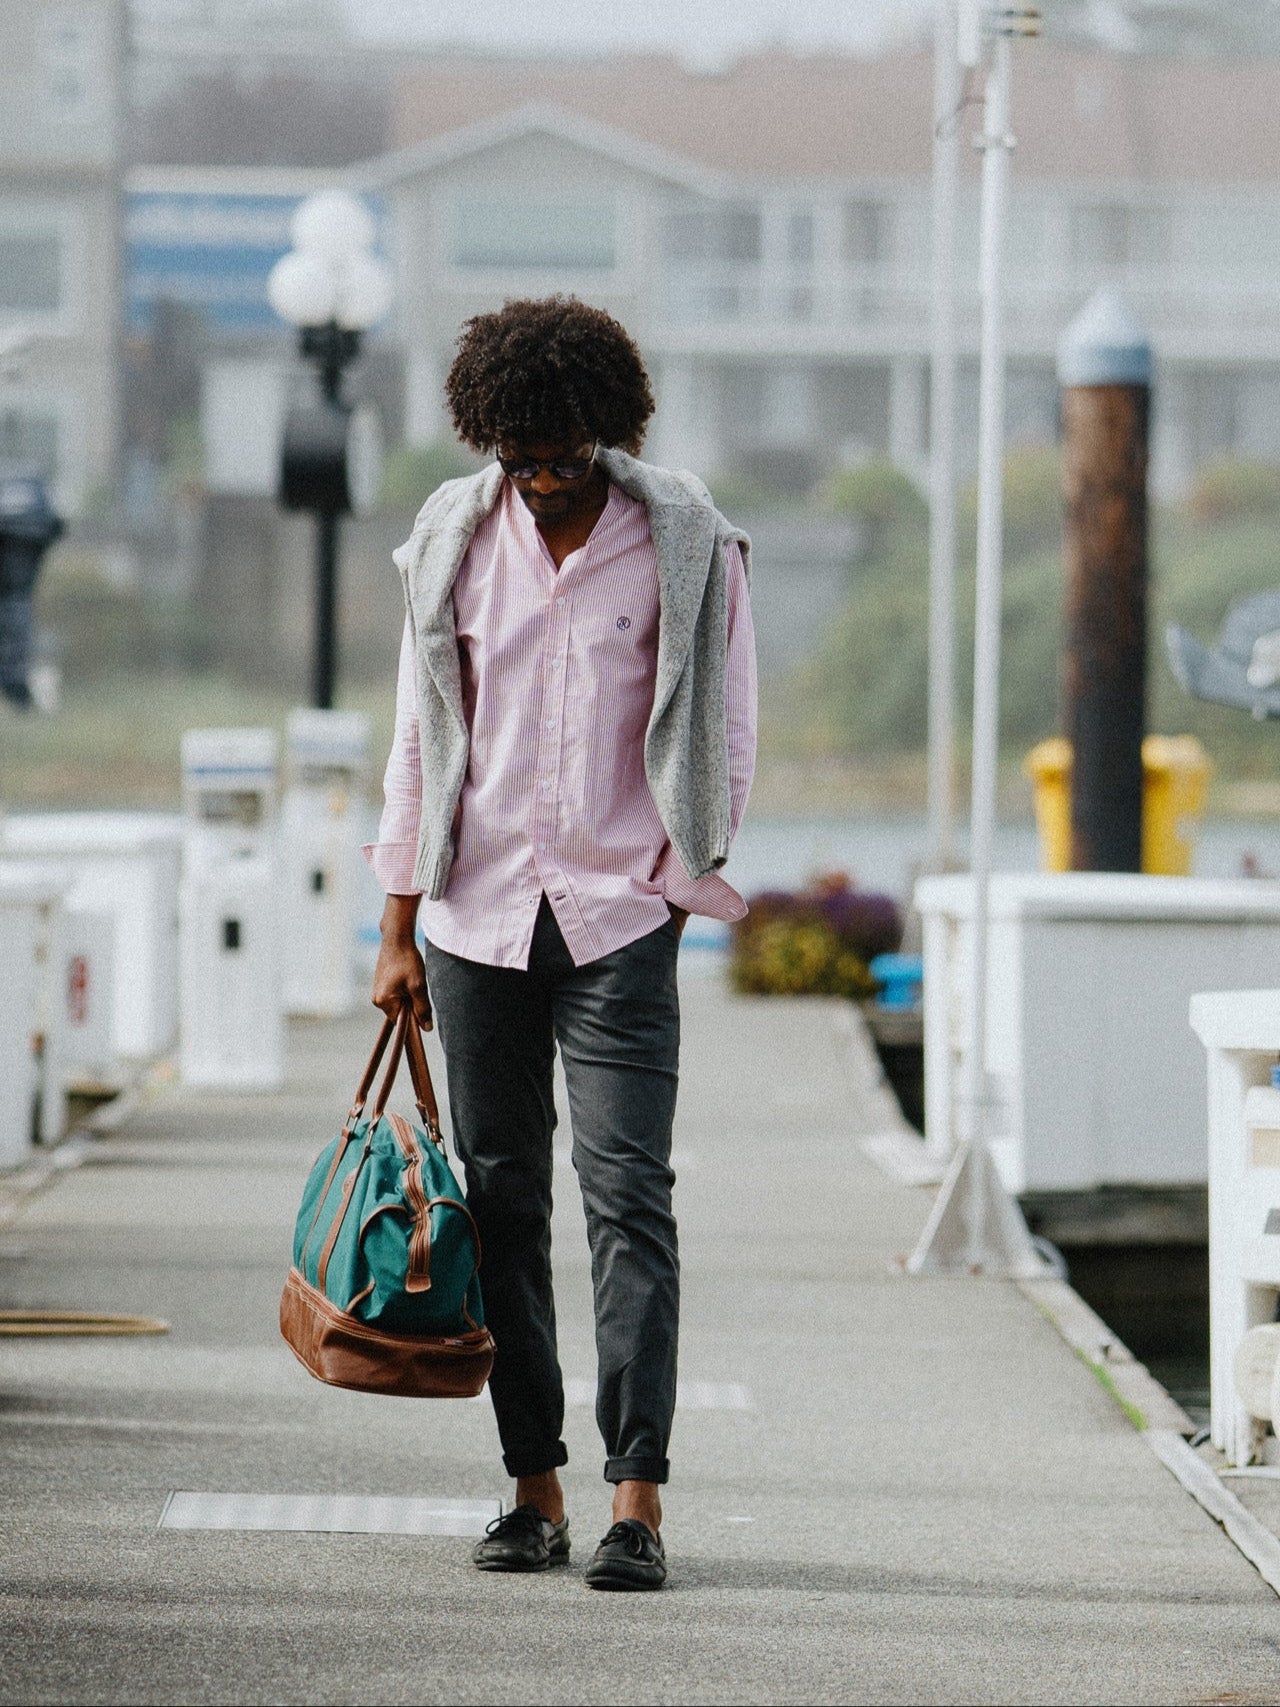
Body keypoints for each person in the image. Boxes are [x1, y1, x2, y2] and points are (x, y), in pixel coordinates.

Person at [366, 295, 756, 1591]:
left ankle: (636, 1500)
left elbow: (729, 723)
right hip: (475, 920)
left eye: (564, 461)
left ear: (607, 435)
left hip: (620, 922)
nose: (540, 485)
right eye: (520, 461)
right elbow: (420, 738)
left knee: (630, 1198)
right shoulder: (456, 536)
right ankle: (532, 1488)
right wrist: (397, 929)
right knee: (499, 1204)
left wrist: (682, 863)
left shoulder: (682, 540)